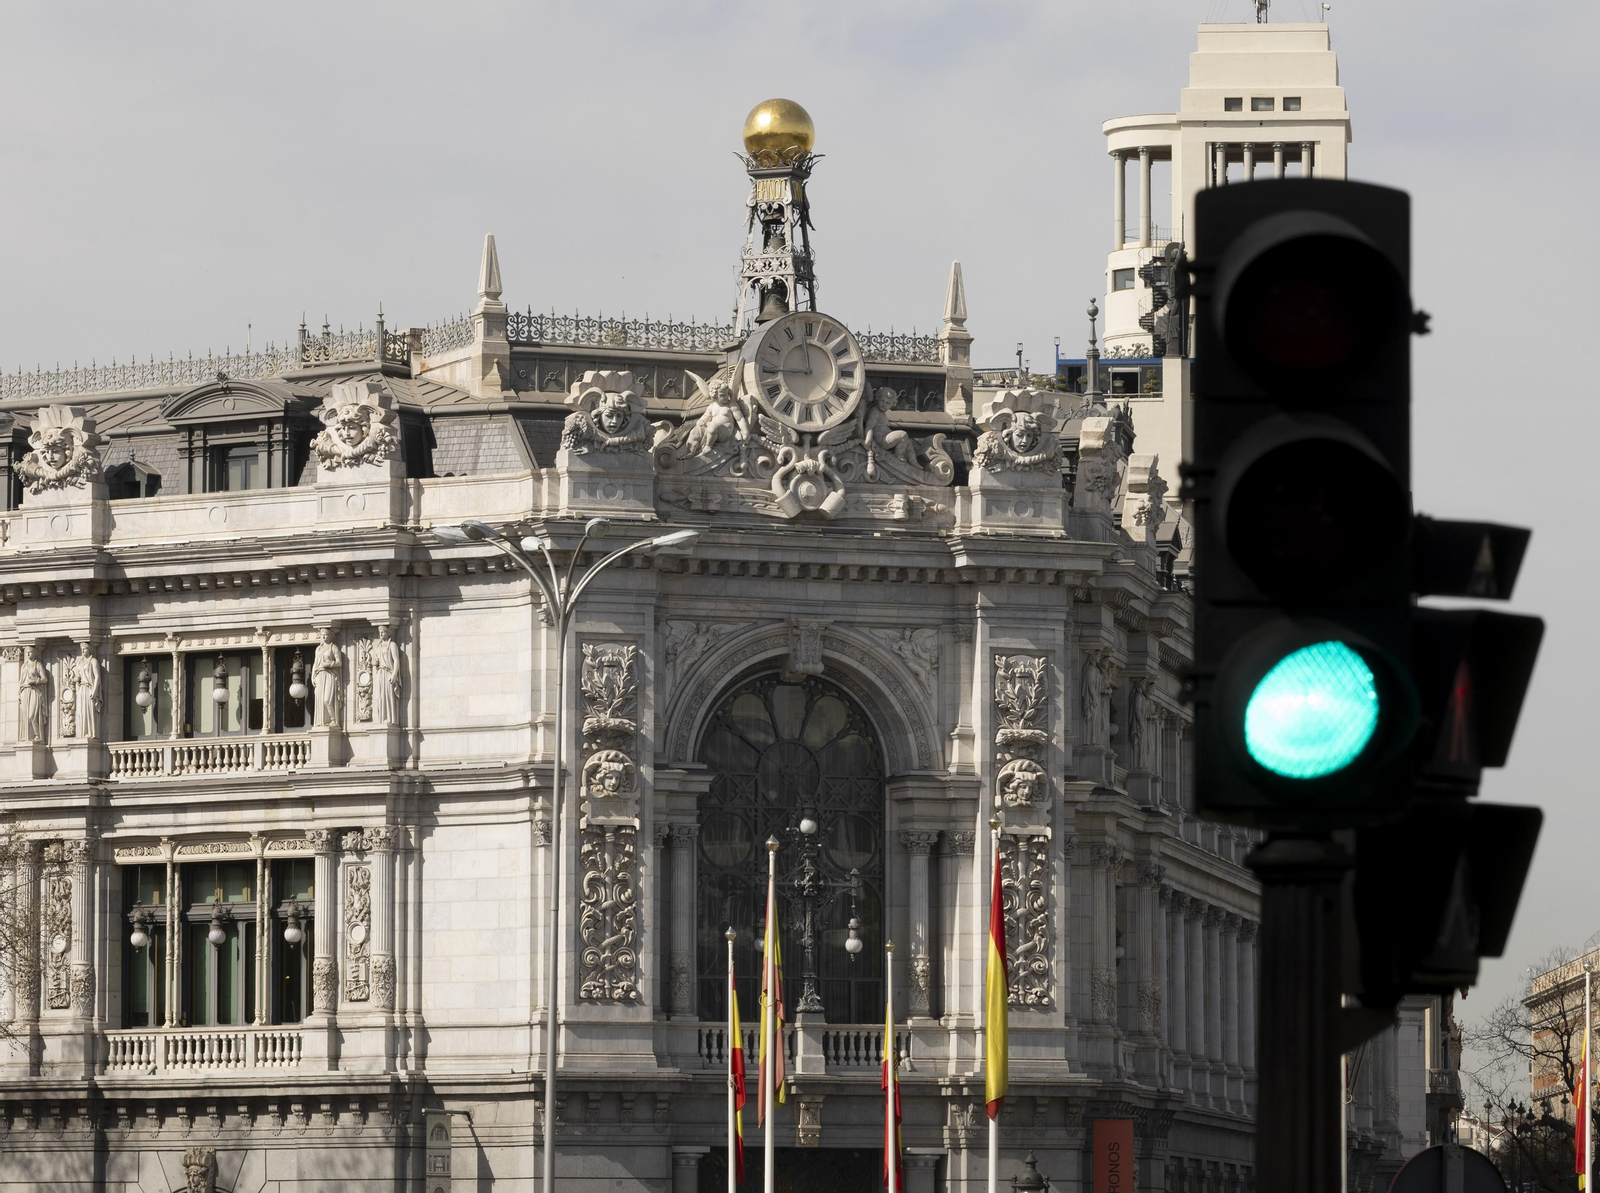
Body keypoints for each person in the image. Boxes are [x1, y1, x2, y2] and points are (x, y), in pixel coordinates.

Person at [370, 625, 400, 725]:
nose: (381, 634)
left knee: (388, 695)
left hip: (388, 673)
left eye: (383, 632)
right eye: (380, 632)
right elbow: (376, 660)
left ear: (388, 633)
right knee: (380, 697)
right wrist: (375, 662)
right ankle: (381, 719)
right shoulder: (378, 646)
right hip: (380, 674)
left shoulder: (392, 645)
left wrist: (395, 674)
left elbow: (396, 660)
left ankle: (390, 719)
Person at [312, 628, 343, 727]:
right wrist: (313, 675)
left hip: (330, 675)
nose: (323, 637)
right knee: (320, 700)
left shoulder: (334, 647)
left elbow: (339, 662)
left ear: (330, 636)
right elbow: (315, 663)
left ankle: (333, 720)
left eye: (325, 634)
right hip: (320, 675)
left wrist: (329, 664)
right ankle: (322, 722)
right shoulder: (318, 649)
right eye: (322, 635)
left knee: (327, 700)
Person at [73, 642, 102, 740]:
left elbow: (97, 676)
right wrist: (76, 679)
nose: (82, 651)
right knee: (81, 712)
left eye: (85, 648)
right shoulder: (80, 663)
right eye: (81, 649)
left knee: (89, 711)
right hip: (81, 689)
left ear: (89, 649)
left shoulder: (93, 661)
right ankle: (83, 733)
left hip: (89, 689)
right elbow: (77, 676)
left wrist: (94, 691)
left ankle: (90, 732)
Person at [19, 646, 48, 741]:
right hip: (25, 691)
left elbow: (45, 679)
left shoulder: (38, 665)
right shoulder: (24, 665)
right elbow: (21, 680)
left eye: (30, 652)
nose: (28, 654)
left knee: (32, 715)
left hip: (34, 691)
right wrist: (19, 692)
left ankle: (37, 735)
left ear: (35, 653)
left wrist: (35, 681)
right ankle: (27, 736)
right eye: (27, 652)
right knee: (25, 715)